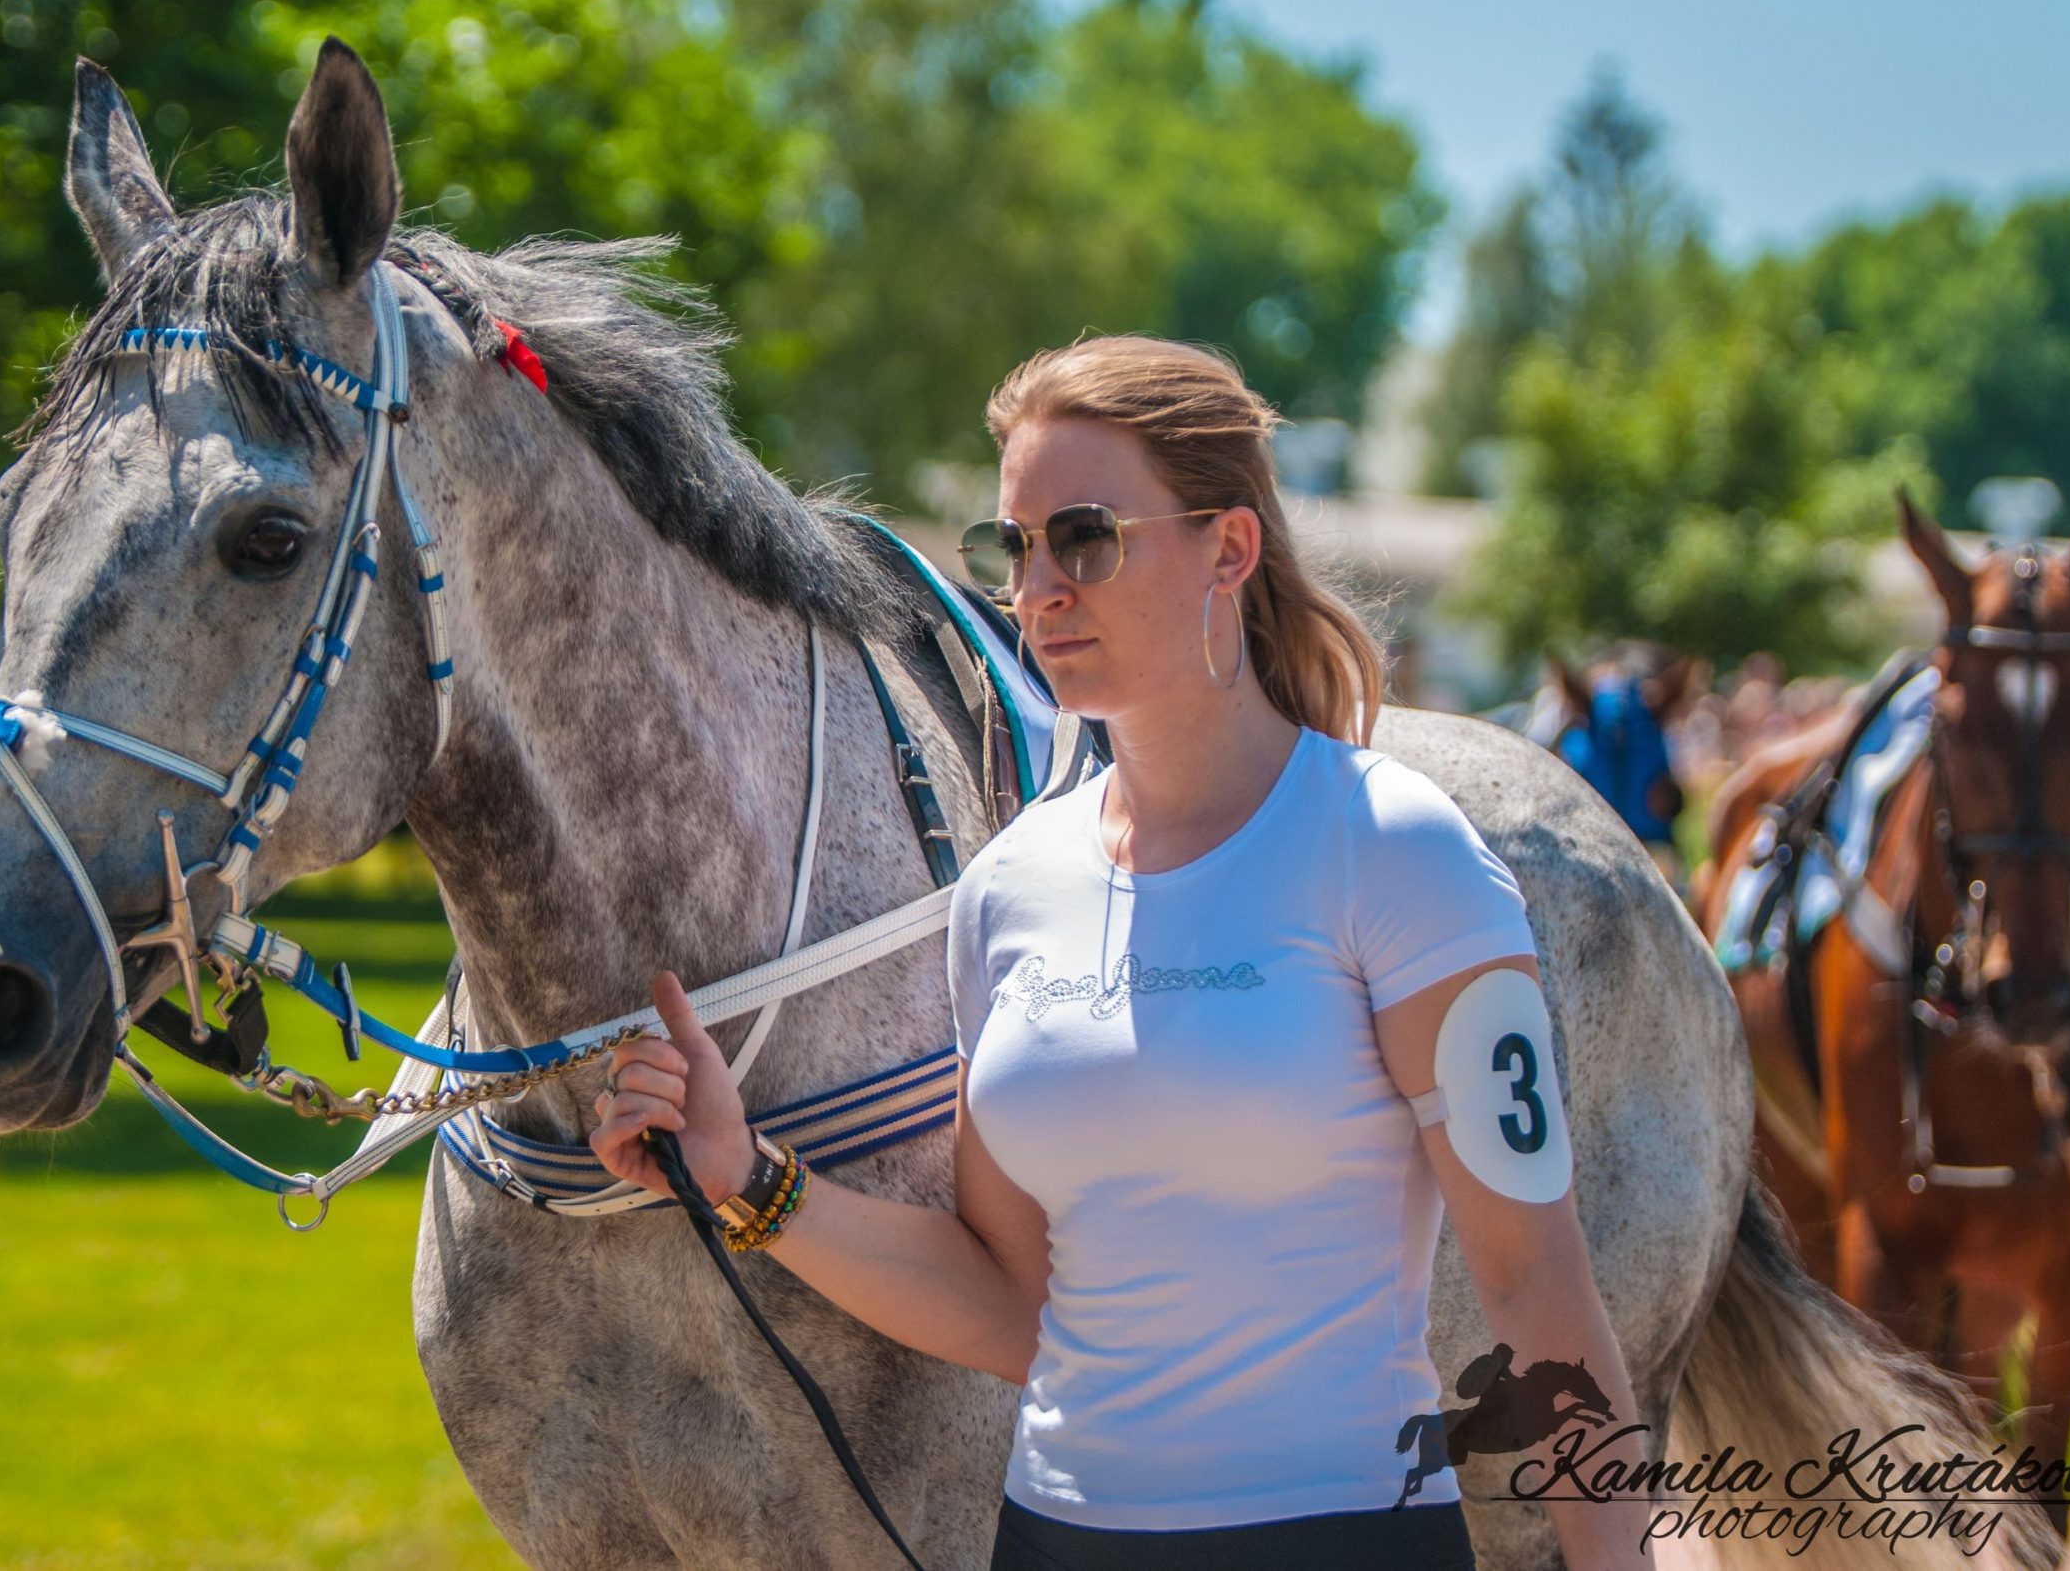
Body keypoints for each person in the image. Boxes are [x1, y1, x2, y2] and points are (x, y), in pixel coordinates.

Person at [590, 336, 1651, 1570]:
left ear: (1229, 548)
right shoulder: (1004, 891)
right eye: (1015, 545)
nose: (1037, 587)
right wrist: (746, 1178)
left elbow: (1539, 1289)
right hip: (1053, 1539)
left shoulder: (1392, 847)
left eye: (1083, 536)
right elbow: (1015, 1299)